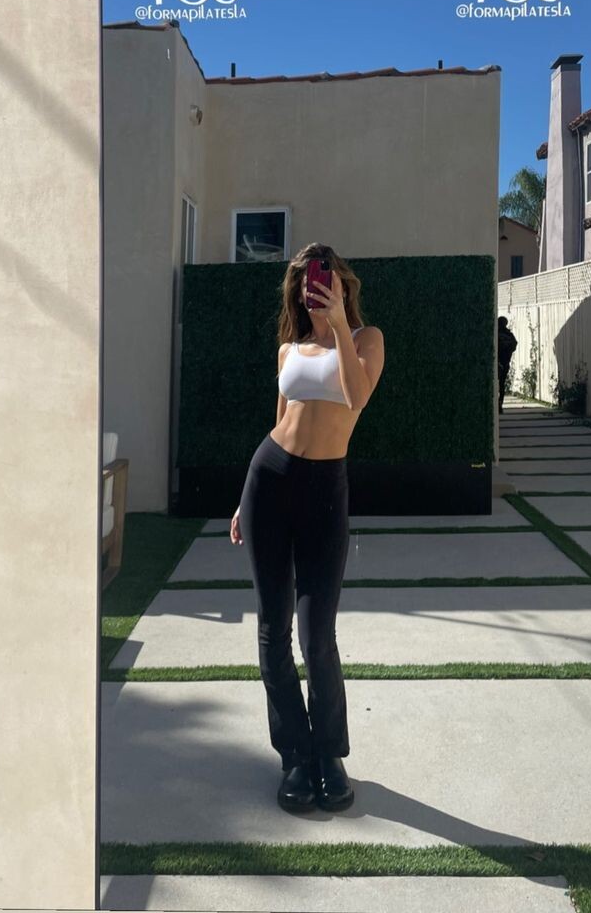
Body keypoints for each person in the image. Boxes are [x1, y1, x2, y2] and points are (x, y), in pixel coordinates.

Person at [230, 242, 385, 814]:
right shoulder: (287, 349)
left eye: (321, 276)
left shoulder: (365, 339)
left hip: (325, 491)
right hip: (269, 480)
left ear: (340, 281)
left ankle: (329, 755)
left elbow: (357, 396)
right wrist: (245, 502)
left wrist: (339, 323)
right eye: (302, 279)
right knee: (273, 630)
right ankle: (294, 754)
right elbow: (281, 418)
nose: (310, 286)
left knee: (317, 634)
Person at [497, 315, 518, 413]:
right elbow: (514, 345)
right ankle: (500, 404)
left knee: (497, 384)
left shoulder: (496, 334)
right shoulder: (509, 335)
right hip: (505, 363)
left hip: (498, 362)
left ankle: (498, 404)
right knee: (501, 384)